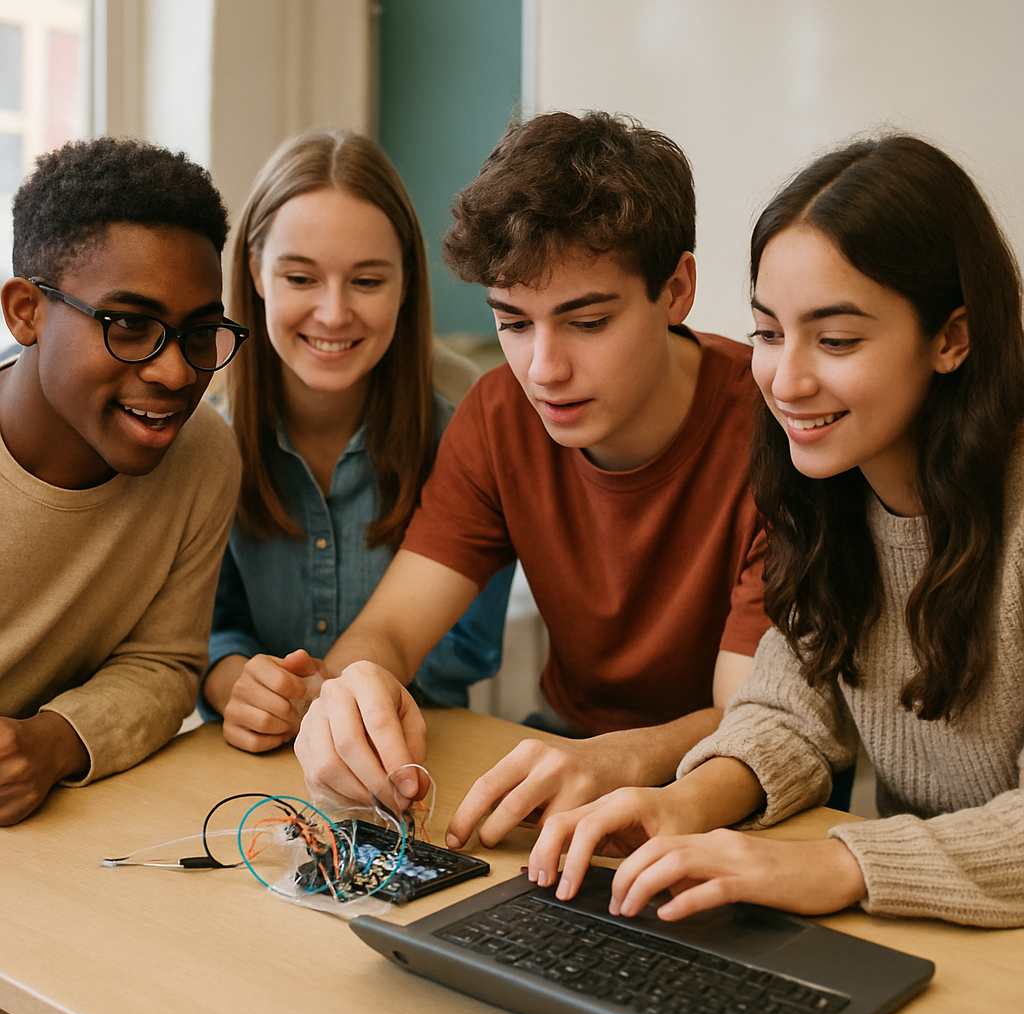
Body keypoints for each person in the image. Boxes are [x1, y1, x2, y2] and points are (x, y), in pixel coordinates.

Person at [528, 135, 1024, 929]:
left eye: (836, 340)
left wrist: (838, 861)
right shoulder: (828, 484)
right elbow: (789, 713)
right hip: (934, 925)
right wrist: (680, 806)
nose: (786, 382)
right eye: (767, 332)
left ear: (951, 339)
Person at [295, 111, 771, 847]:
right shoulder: (498, 415)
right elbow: (385, 632)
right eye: (514, 323)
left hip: (749, 788)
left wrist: (624, 757)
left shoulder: (776, 430)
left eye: (586, 322)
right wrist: (352, 692)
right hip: (569, 752)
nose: (543, 370)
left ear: (676, 290)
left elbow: (752, 721)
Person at [199, 129, 512, 753]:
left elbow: (468, 645)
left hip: (422, 750)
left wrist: (343, 697)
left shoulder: (469, 424)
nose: (334, 313)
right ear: (257, 273)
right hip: (252, 763)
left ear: (405, 284)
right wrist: (233, 681)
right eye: (301, 278)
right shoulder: (208, 434)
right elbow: (205, 626)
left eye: (367, 282)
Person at [0, 137, 244, 825]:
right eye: (129, 325)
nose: (175, 373)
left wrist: (50, 744)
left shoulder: (203, 455)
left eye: (199, 333)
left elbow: (164, 665)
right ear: (26, 313)